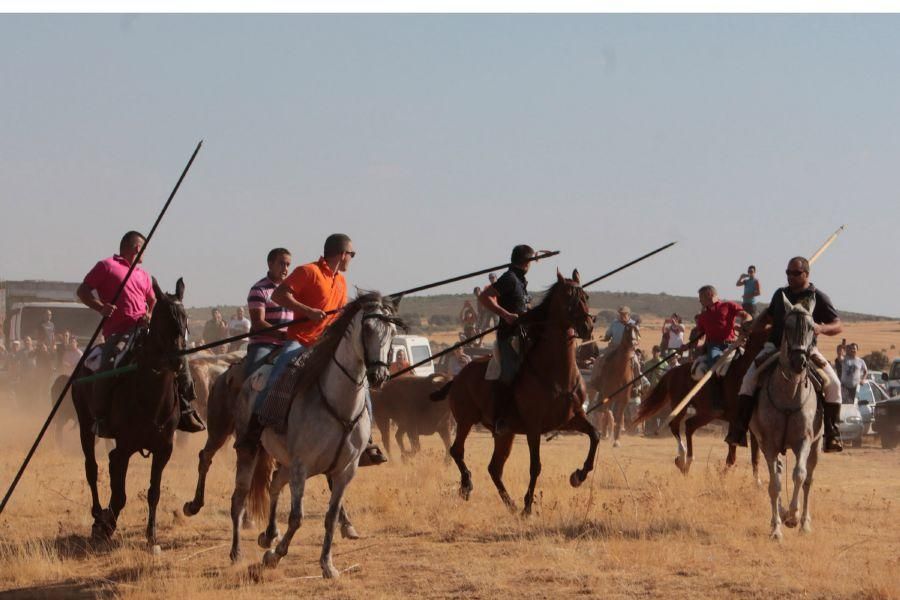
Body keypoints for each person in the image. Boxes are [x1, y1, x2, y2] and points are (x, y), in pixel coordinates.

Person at [236, 233, 387, 465]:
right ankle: (255, 430)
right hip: (300, 340)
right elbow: (279, 294)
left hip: (325, 345)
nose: (352, 259)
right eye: (352, 254)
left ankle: (366, 440)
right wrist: (306, 311)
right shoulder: (308, 272)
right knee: (279, 375)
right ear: (341, 254)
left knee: (360, 382)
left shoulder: (341, 281)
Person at [76, 230, 205, 437]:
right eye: (143, 248)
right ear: (137, 247)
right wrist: (100, 307)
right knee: (109, 364)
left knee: (178, 358)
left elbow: (153, 301)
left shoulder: (143, 275)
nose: (145, 253)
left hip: (144, 330)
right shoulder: (106, 266)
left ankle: (186, 409)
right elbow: (83, 291)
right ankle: (100, 417)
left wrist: (149, 313)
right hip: (119, 333)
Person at [729, 256, 844, 452]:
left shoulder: (818, 297)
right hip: (774, 347)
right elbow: (767, 317)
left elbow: (838, 325)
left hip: (806, 350)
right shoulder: (780, 295)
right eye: (788, 273)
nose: (791, 276)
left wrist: (819, 328)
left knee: (834, 384)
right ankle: (739, 430)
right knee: (748, 380)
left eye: (796, 273)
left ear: (806, 274)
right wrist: (751, 327)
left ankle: (832, 434)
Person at [478, 244, 535, 435]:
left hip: (525, 336)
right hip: (509, 337)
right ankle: (501, 418)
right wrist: (506, 314)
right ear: (526, 262)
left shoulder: (520, 279)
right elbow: (485, 297)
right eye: (531, 261)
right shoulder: (509, 278)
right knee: (510, 374)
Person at [244, 248, 294, 378]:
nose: (285, 268)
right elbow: (258, 323)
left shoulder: (293, 290)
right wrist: (282, 335)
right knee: (253, 380)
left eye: (288, 265)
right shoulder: (259, 290)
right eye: (282, 263)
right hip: (265, 345)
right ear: (270, 264)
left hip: (289, 343)